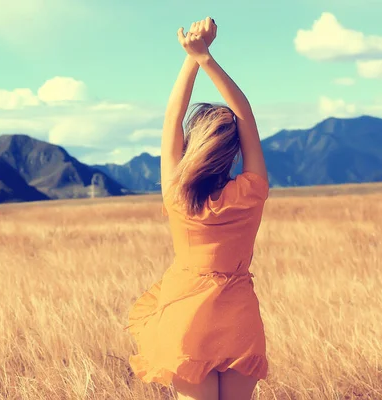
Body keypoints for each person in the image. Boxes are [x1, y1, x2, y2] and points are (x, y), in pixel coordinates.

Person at [123, 17, 270, 400]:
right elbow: (247, 117)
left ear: (192, 145)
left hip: (186, 316)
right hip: (238, 316)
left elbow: (171, 119)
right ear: (234, 149)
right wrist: (206, 59)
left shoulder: (177, 194)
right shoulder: (251, 192)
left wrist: (192, 56)